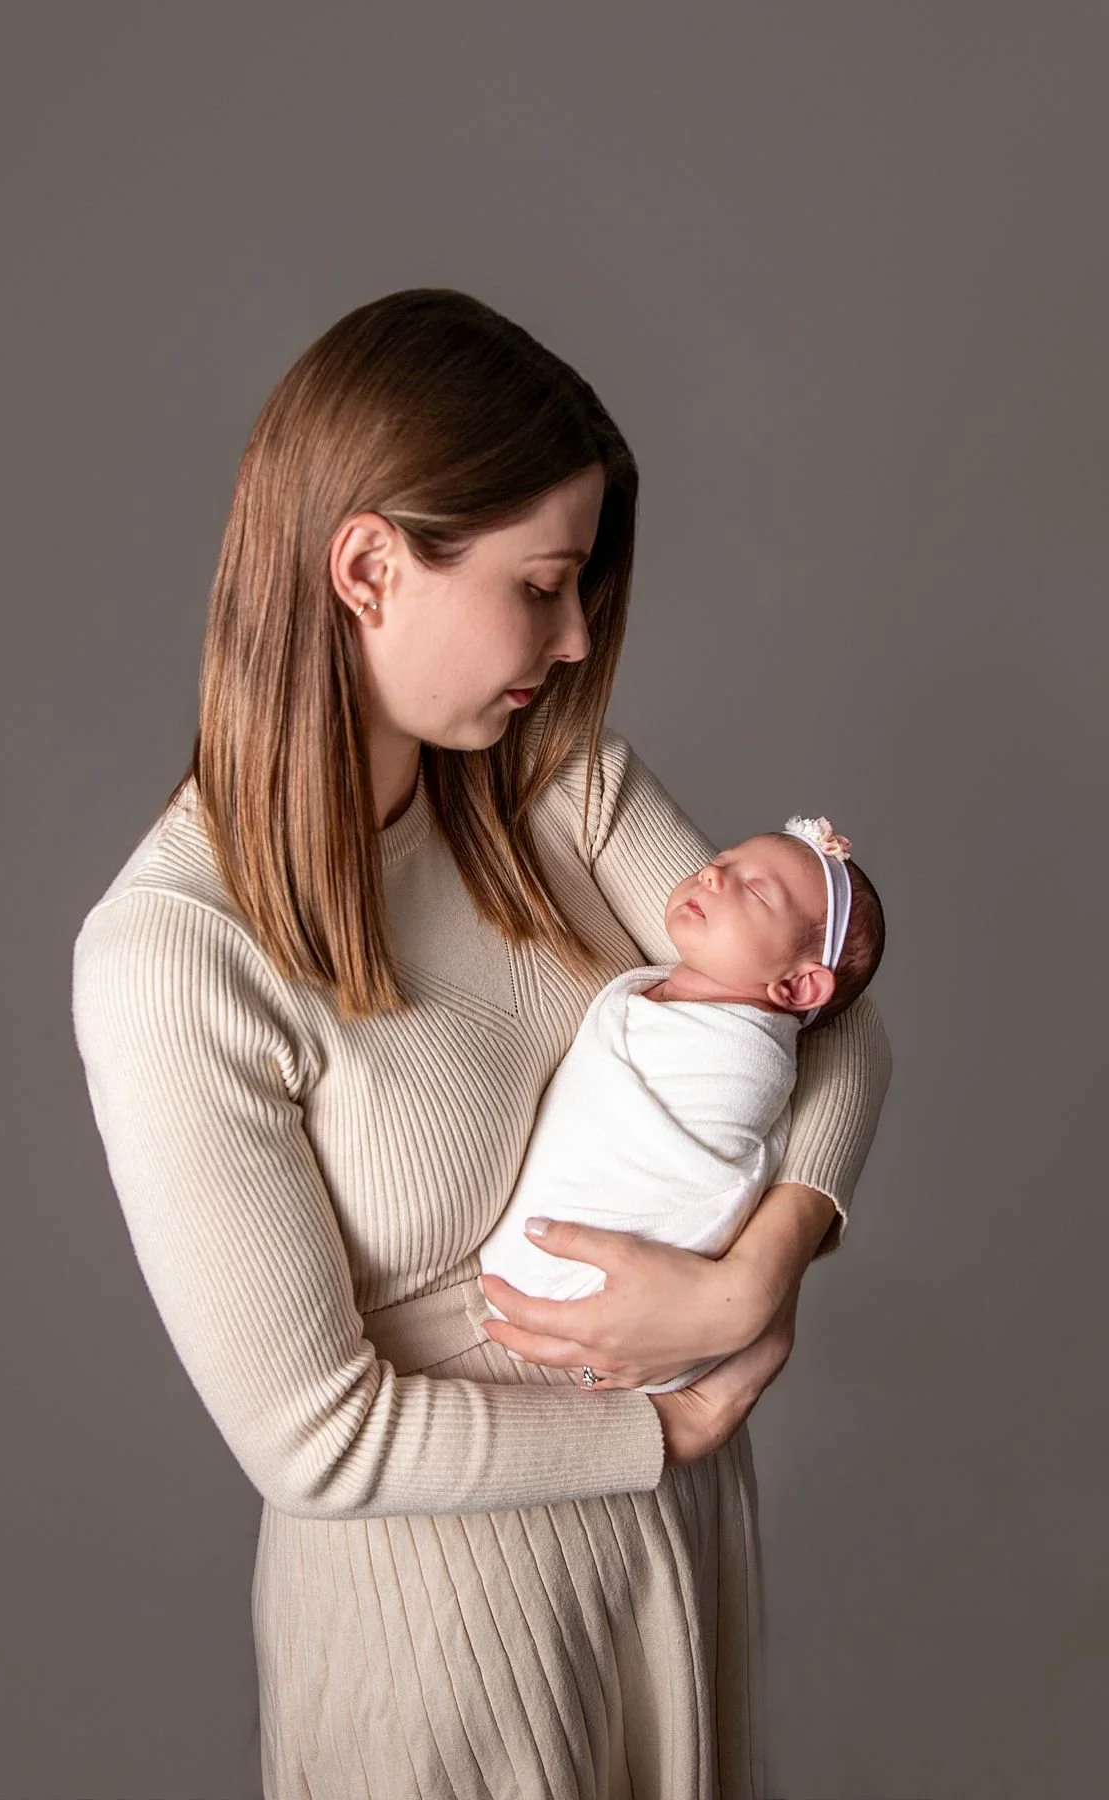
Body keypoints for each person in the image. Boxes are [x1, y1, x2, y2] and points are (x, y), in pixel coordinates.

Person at [71, 288, 893, 1800]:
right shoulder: (174, 956)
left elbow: (832, 1019)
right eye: (544, 585)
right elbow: (314, 1440)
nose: (579, 640)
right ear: (371, 567)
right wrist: (671, 1424)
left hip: (666, 1573)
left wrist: (756, 1270)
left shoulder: (554, 779)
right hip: (444, 1648)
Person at [478, 819, 886, 1394]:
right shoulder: (688, 982)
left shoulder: (741, 1061)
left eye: (755, 890)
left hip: (599, 1302)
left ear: (796, 989)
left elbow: (696, 1171)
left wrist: (748, 1292)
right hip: (519, 1308)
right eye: (721, 859)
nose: (713, 872)